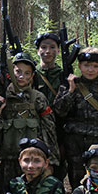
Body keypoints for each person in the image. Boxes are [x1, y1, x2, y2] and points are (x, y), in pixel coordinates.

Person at [0, 52, 59, 194]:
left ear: (32, 76)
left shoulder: (38, 98)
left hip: (32, 163)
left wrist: (51, 162)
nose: (22, 76)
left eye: (27, 73)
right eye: (18, 71)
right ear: (11, 72)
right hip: (7, 162)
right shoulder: (1, 98)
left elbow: (49, 131)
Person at [53, 47, 98, 188]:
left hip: (97, 141)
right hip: (73, 141)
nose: (90, 70)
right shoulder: (69, 86)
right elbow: (59, 111)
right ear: (79, 66)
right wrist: (70, 91)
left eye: (95, 66)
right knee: (76, 181)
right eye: (86, 65)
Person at [33, 32, 67, 181]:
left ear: (58, 51)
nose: (48, 51)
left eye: (52, 47)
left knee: (57, 171)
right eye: (43, 47)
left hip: (59, 130)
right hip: (35, 128)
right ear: (38, 50)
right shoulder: (30, 74)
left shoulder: (64, 74)